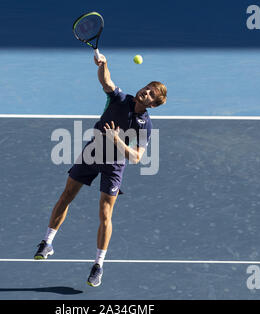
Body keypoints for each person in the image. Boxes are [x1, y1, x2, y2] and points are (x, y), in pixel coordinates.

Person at [34, 53, 167, 287]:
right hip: (91, 153)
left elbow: (136, 157)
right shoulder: (120, 99)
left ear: (153, 104)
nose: (145, 92)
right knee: (66, 196)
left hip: (114, 165)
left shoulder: (146, 125)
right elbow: (107, 82)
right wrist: (104, 64)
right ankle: (47, 242)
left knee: (105, 214)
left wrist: (117, 141)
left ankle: (98, 265)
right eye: (146, 88)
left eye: (150, 94)